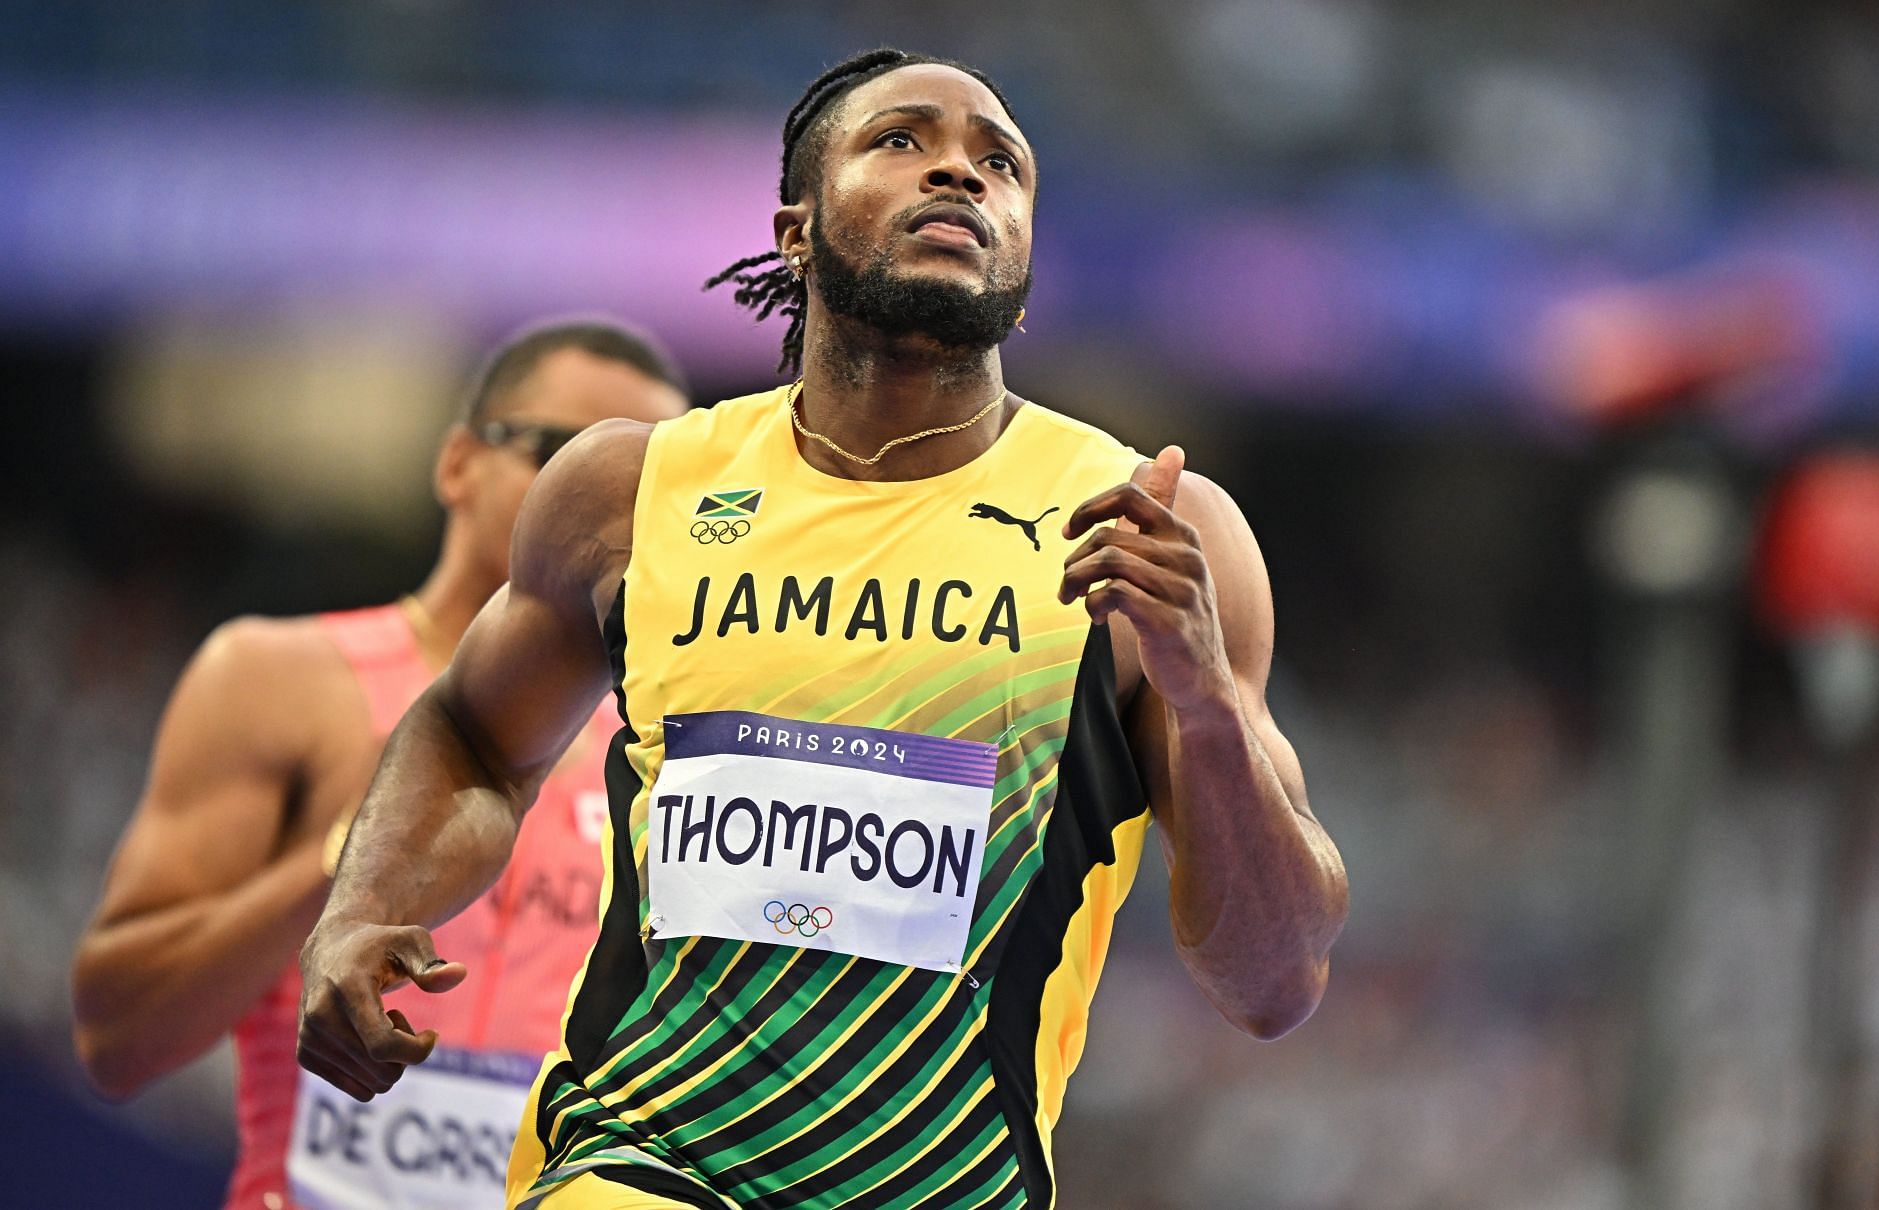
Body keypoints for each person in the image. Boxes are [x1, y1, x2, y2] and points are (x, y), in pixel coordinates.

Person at [297, 49, 1349, 1210]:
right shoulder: (632, 493)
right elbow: (473, 735)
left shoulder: (1148, 527)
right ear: (795, 231)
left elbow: (1273, 980)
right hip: (639, 1164)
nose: (960, 171)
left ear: (1025, 262)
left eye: (1001, 164)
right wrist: (362, 910)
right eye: (901, 141)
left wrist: (1205, 705)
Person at [71, 320, 691, 1210]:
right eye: (558, 454)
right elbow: (118, 1040)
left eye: (651, 490)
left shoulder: (665, 736)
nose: (599, 502)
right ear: (456, 465)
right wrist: (351, 862)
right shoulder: (278, 681)